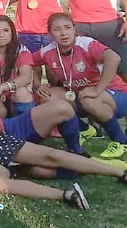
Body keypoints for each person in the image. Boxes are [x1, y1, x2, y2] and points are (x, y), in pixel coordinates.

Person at [33, 13, 127, 158]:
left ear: (74, 29)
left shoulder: (85, 43)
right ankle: (81, 137)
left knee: (89, 100)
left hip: (114, 93)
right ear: (50, 33)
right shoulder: (49, 50)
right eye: (57, 29)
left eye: (67, 28)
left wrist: (98, 89)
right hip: (81, 95)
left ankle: (121, 142)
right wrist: (38, 85)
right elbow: (28, 63)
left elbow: (114, 58)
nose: (63, 33)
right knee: (48, 97)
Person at [0, 15, 35, 117]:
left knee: (21, 93)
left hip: (13, 95)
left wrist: (1, 88)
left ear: (12, 32)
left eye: (6, 30)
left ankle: (25, 127)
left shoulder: (21, 51)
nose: (2, 35)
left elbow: (26, 78)